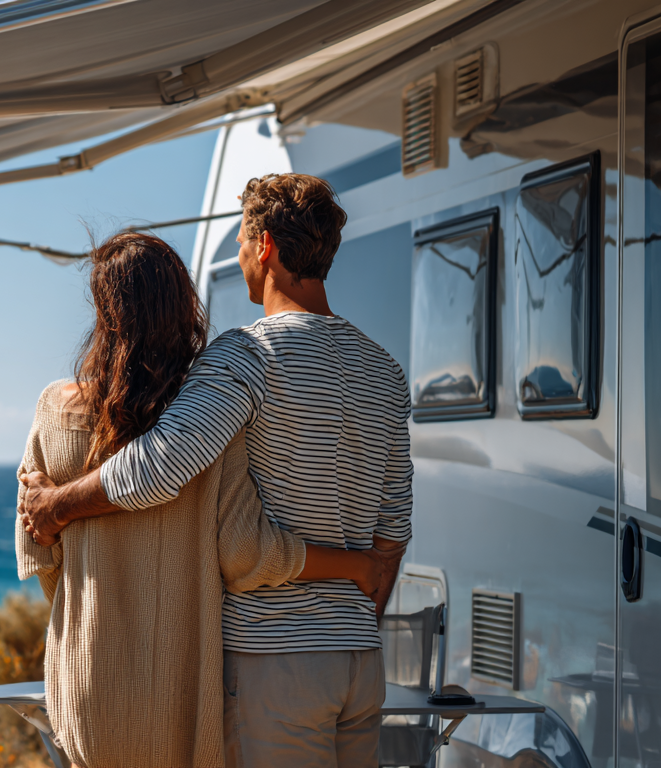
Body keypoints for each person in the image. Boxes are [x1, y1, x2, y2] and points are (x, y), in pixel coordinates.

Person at [21, 174, 411, 768]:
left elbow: (156, 467)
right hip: (359, 664)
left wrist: (57, 507)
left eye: (239, 243)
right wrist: (353, 611)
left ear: (267, 248)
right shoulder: (383, 370)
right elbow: (394, 527)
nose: (237, 256)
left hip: (276, 665)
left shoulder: (250, 355)